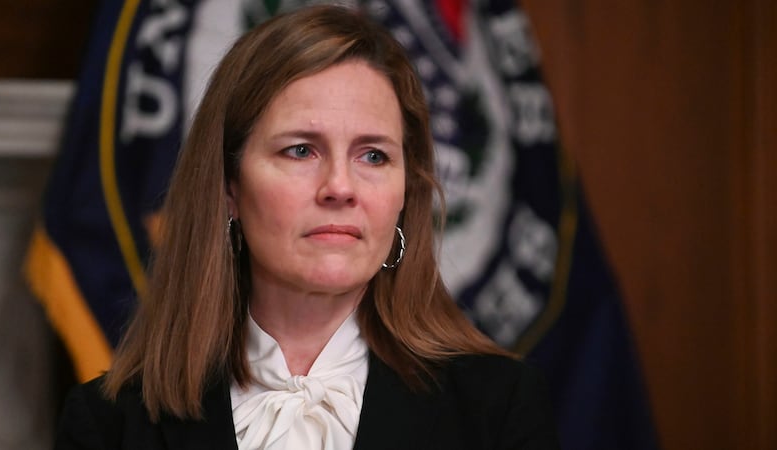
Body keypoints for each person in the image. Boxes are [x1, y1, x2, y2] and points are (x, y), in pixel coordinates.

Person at [54, 5, 560, 450]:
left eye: (373, 155)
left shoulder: (500, 411)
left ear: (407, 195)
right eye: (300, 150)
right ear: (229, 186)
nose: (340, 186)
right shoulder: (110, 425)